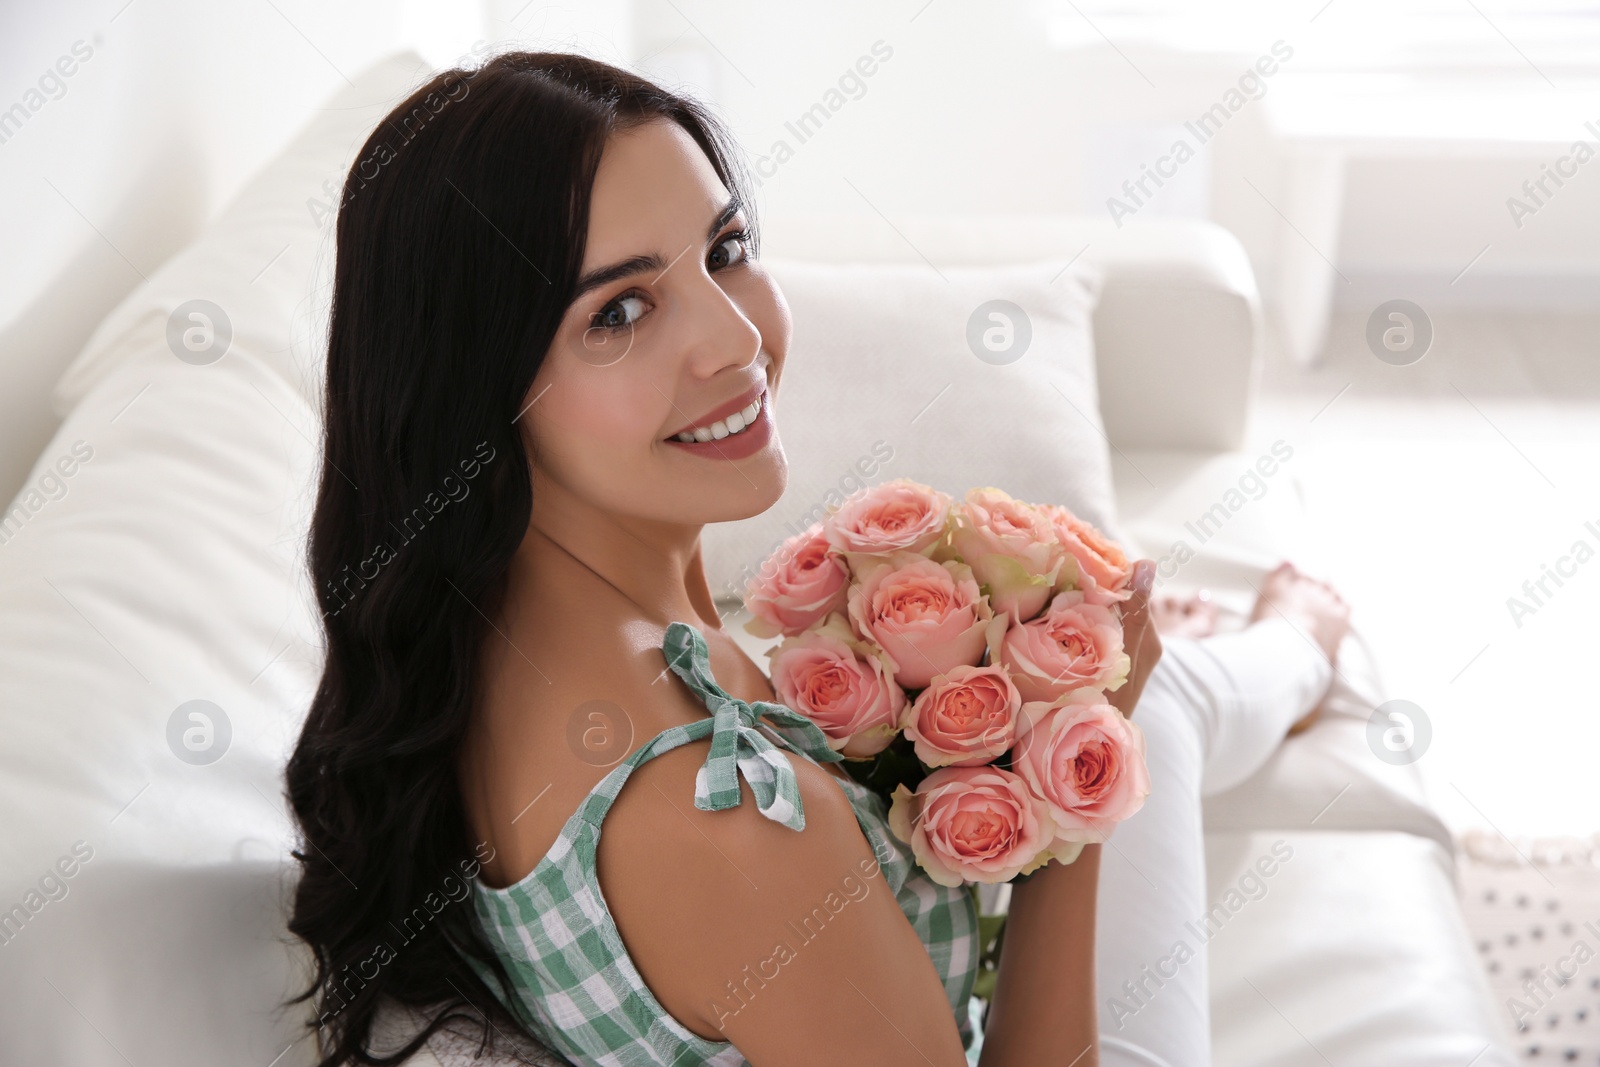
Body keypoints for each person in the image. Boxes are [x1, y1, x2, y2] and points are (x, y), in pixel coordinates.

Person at [283, 50, 1351, 1067]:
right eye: (620, 309)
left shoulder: (483, 625)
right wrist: (1083, 763)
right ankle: (1299, 640)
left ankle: (1271, 647)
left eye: (725, 250)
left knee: (1124, 677)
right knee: (1144, 707)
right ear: (480, 384)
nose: (735, 339)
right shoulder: (731, 826)